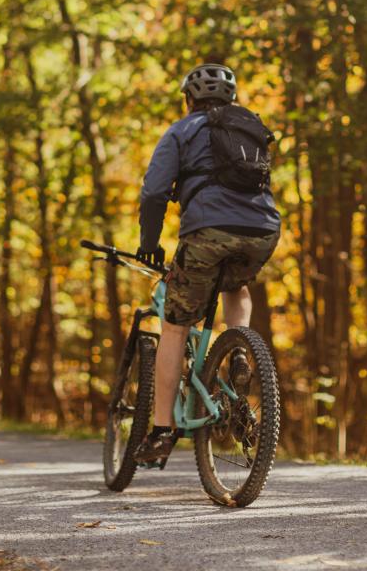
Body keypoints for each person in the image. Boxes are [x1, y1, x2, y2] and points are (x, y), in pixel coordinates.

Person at [133, 62, 281, 465]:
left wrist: (149, 244)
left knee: (175, 327)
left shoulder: (182, 130)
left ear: (189, 99)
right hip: (263, 230)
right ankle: (238, 349)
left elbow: (154, 193)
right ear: (230, 99)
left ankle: (162, 431)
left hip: (206, 231)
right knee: (237, 283)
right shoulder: (250, 126)